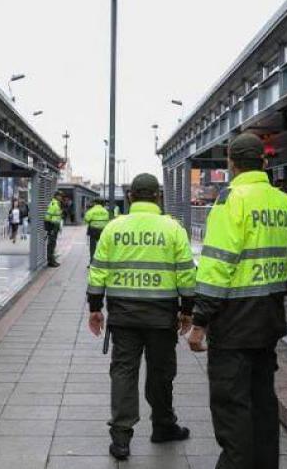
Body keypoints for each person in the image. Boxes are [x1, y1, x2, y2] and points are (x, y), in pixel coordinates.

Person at [188, 133, 287, 469]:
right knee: (263, 405)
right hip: (268, 321)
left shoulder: (230, 201)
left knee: (232, 408)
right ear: (263, 162)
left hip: (232, 325)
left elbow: (217, 267)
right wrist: (284, 287)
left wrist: (199, 321)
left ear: (231, 163)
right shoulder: (282, 201)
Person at [87, 173, 195, 461]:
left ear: (130, 197)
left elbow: (98, 270)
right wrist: (187, 310)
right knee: (161, 372)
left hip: (123, 316)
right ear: (158, 197)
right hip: (161, 316)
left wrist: (95, 307)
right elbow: (186, 273)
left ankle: (121, 438)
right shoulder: (173, 228)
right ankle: (163, 425)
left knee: (123, 371)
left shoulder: (113, 228)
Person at [45, 191, 64, 267]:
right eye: (60, 196)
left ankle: (52, 260)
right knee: (51, 244)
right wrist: (51, 228)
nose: (61, 197)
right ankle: (50, 261)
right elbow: (47, 217)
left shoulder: (56, 204)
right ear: (56, 196)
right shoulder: (54, 204)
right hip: (52, 227)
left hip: (55, 227)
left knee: (53, 244)